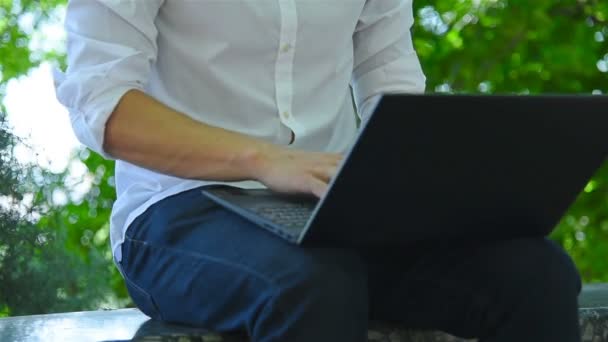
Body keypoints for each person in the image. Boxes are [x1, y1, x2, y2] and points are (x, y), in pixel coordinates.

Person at [54, 1, 582, 341]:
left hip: (336, 203)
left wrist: (426, 189)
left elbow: (389, 78)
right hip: (179, 209)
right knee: (313, 284)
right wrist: (264, 160)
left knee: (535, 274)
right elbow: (104, 104)